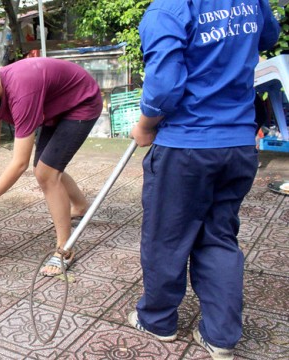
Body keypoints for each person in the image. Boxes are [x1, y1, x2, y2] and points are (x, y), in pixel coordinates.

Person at [128, 1, 280, 359]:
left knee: (166, 238)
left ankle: (158, 320)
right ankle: (221, 336)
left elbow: (163, 87)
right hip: (239, 144)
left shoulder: (167, 10)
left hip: (185, 147)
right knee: (219, 237)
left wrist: (145, 125)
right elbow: (267, 35)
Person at [0, 54, 103, 276]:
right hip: (56, 106)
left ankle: (65, 249)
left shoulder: (21, 92)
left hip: (81, 102)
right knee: (46, 169)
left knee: (46, 172)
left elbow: (19, 162)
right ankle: (80, 206)